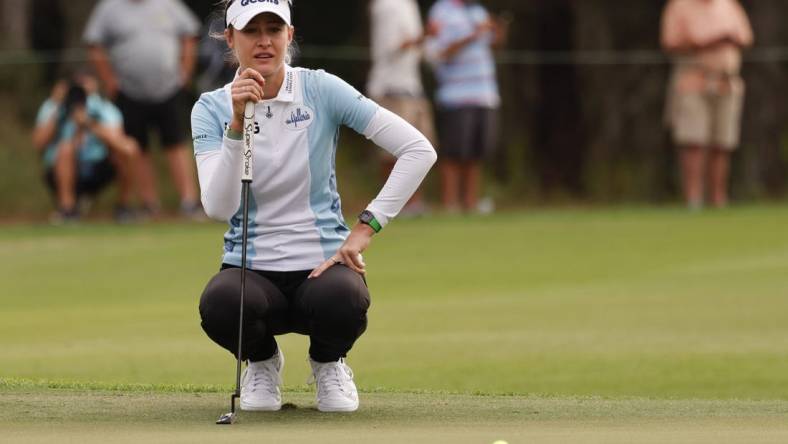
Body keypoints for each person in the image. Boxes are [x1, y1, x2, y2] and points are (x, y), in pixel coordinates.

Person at [192, 0, 436, 413]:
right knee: (220, 304)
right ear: (230, 38)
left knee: (342, 298)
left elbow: (417, 150)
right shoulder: (211, 108)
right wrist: (236, 124)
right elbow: (218, 207)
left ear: (290, 34)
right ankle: (262, 361)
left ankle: (328, 362)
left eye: (275, 29)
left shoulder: (321, 89)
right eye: (252, 31)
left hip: (321, 267)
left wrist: (364, 229)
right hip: (249, 269)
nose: (265, 41)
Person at [83, 0, 203, 218]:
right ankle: (149, 204)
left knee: (177, 144)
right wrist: (109, 81)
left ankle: (190, 202)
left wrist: (185, 71)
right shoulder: (109, 8)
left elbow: (190, 35)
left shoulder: (169, 5)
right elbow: (94, 44)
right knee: (138, 148)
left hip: (170, 88)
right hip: (128, 91)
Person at [661, 0, 753, 209]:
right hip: (692, 82)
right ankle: (693, 199)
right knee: (693, 141)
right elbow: (670, 42)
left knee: (722, 142)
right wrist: (707, 42)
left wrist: (727, 41)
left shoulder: (729, 5)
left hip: (727, 83)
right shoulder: (679, 6)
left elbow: (746, 38)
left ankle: (718, 199)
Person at [425, 0, 506, 214]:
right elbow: (438, 52)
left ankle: (470, 203)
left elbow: (494, 45)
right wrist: (472, 35)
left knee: (475, 152)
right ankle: (449, 204)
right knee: (453, 153)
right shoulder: (440, 11)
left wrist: (498, 30)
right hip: (456, 95)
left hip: (485, 94)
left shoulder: (477, 10)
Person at [32, 72, 140, 223]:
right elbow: (38, 143)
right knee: (66, 148)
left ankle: (123, 207)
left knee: (130, 148)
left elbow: (122, 145)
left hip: (99, 166)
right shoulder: (54, 107)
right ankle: (67, 210)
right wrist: (60, 110)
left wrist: (88, 122)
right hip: (60, 168)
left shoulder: (103, 108)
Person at [367, 0, 437, 217]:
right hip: (390, 87)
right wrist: (425, 35)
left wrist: (425, 39)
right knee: (392, 152)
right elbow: (391, 48)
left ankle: (413, 205)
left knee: (421, 148)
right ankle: (389, 208)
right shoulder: (386, 5)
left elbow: (419, 50)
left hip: (412, 88)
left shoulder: (409, 5)